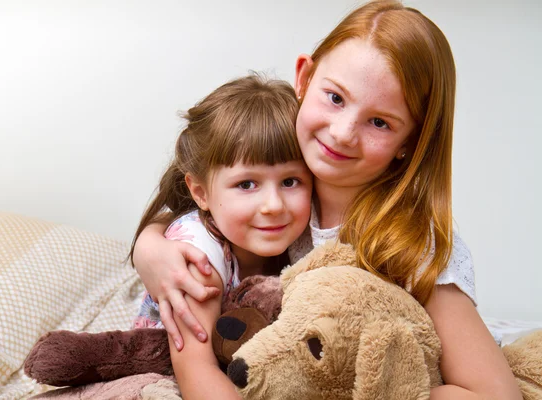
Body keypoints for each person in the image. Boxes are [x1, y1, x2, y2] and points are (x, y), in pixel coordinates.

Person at [132, 1, 522, 399]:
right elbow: (204, 208)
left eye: (379, 122)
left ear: (410, 142)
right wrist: (150, 247)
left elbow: (495, 393)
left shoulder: (411, 247)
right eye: (335, 98)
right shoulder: (288, 176)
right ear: (304, 78)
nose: (342, 133)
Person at [129, 74, 313, 399]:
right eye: (247, 184)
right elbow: (195, 372)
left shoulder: (306, 234)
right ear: (200, 193)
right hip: (166, 370)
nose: (273, 205)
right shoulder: (198, 257)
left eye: (290, 181)